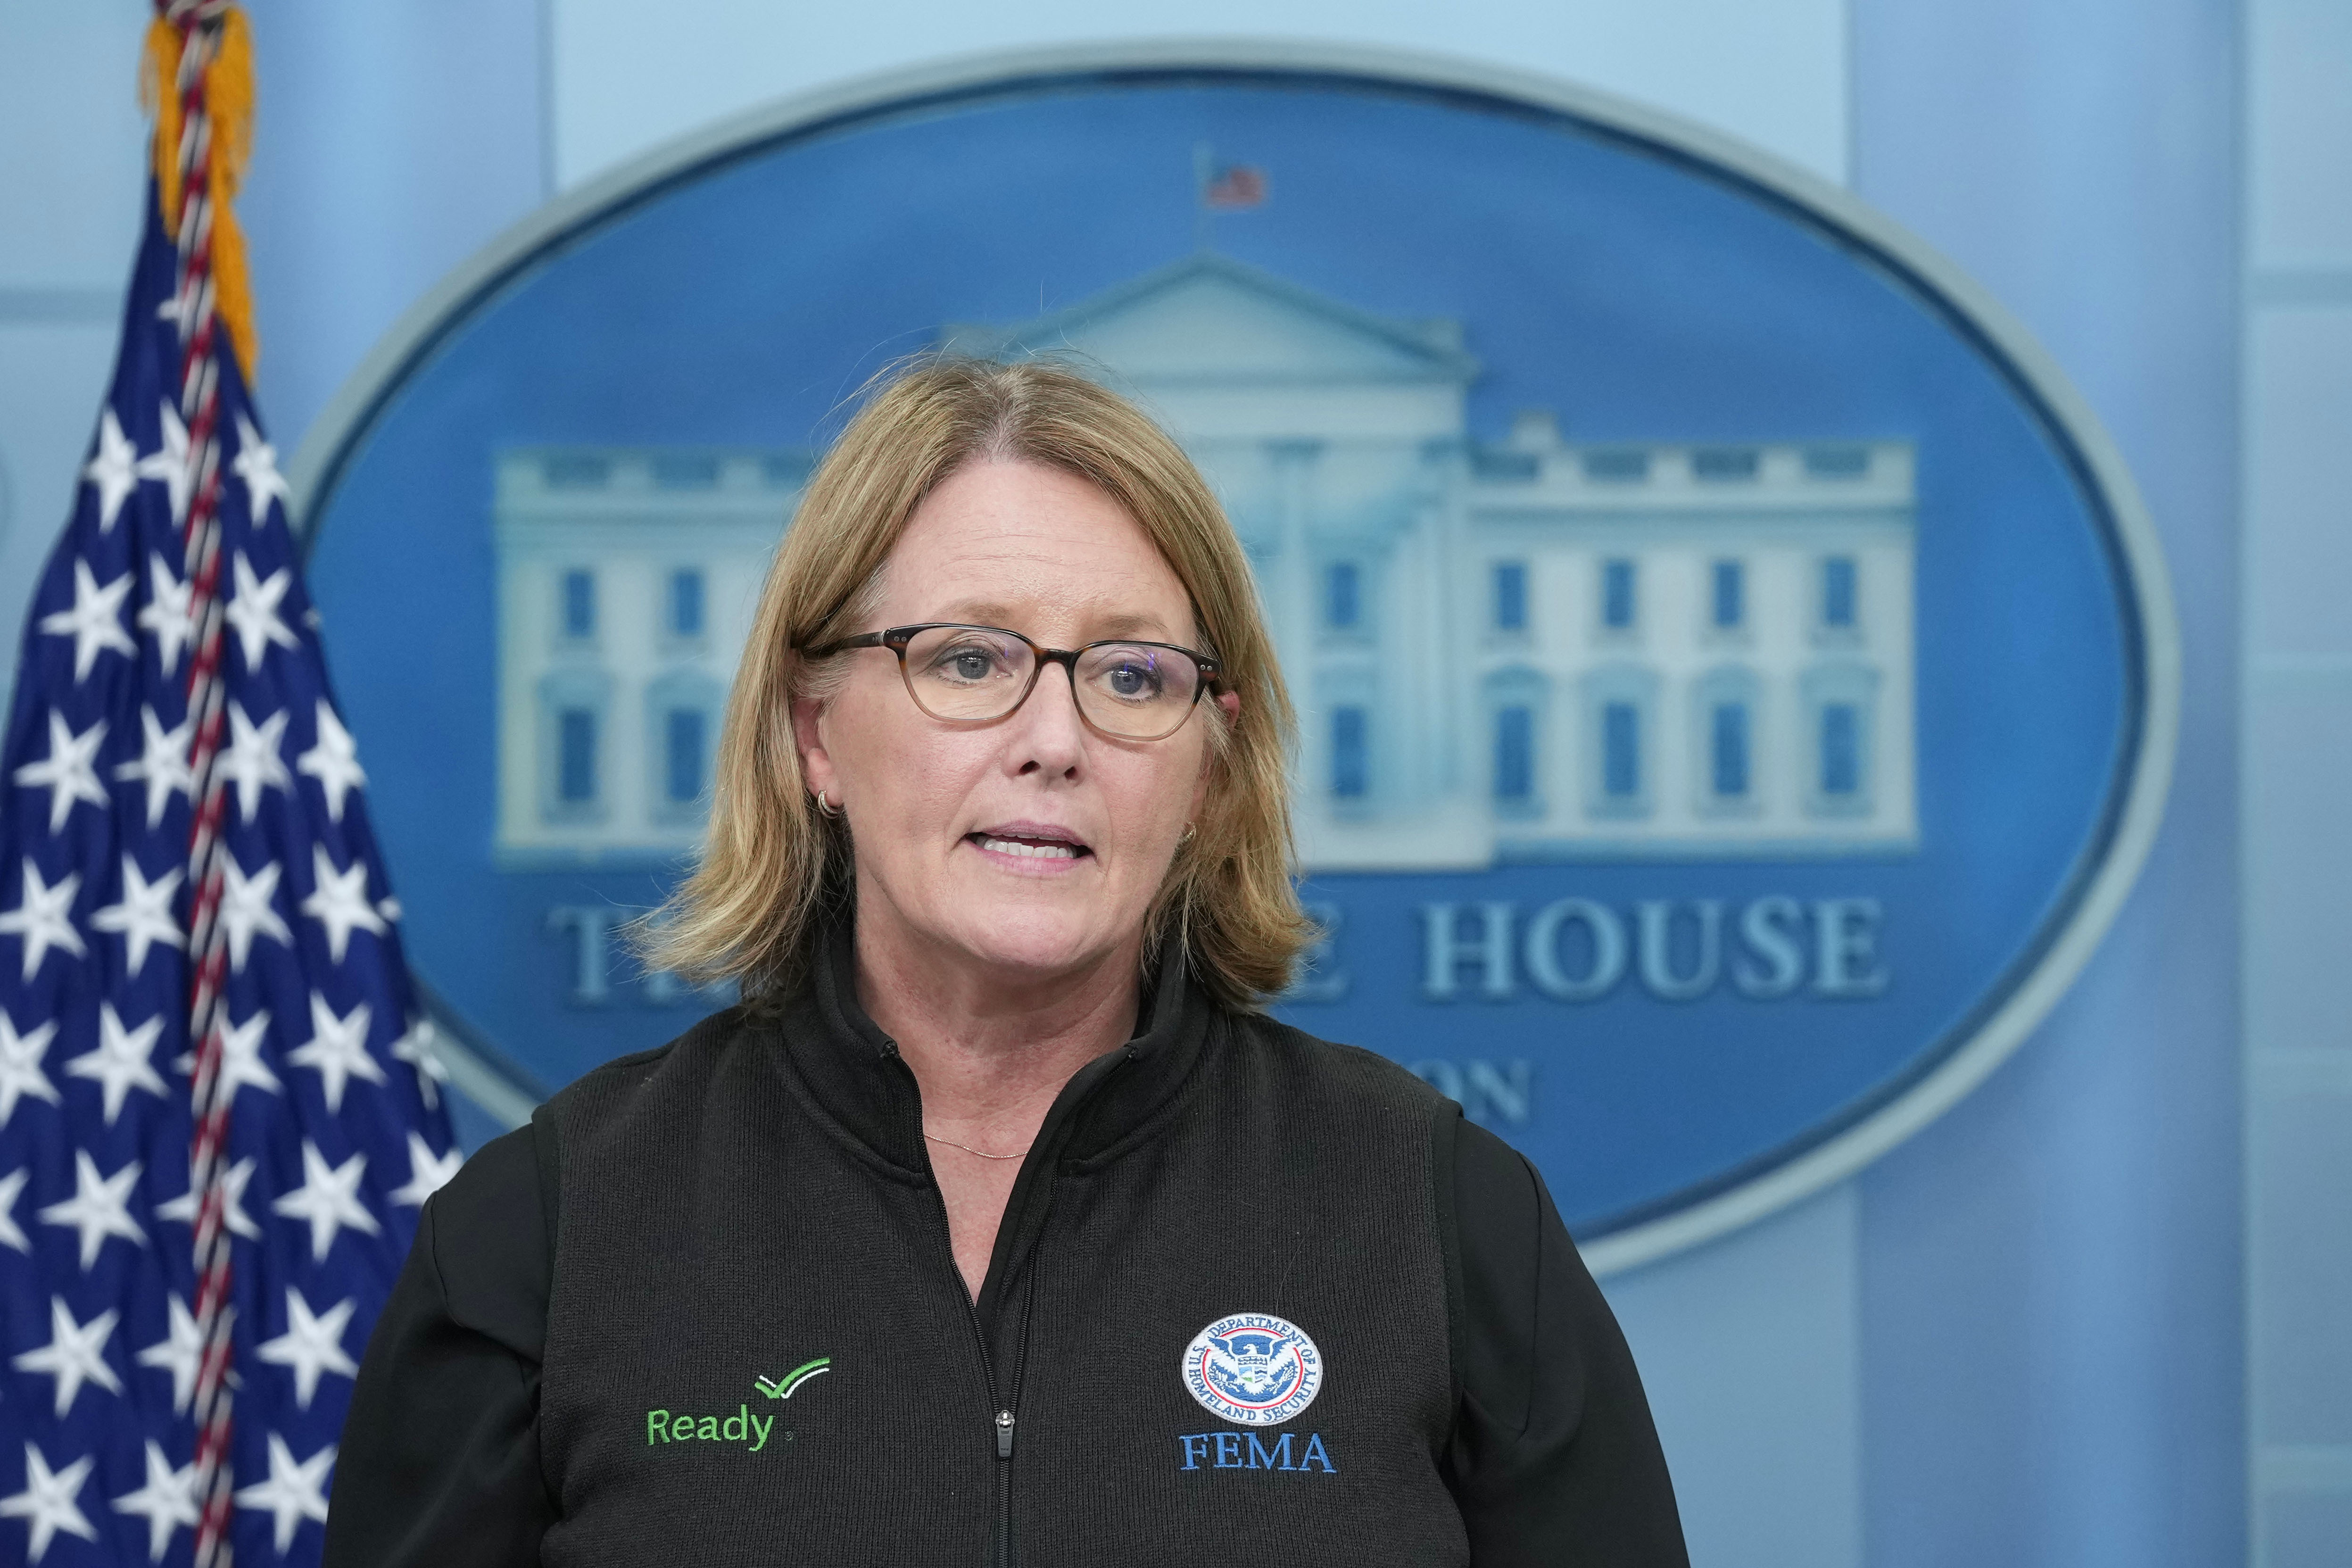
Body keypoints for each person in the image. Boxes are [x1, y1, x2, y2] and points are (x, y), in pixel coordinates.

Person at [324, 359, 1689, 1567]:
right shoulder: (549, 1232)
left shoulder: (1441, 1215)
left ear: (1211, 768)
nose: (1053, 738)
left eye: (1132, 675)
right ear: (814, 738)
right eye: (967, 660)